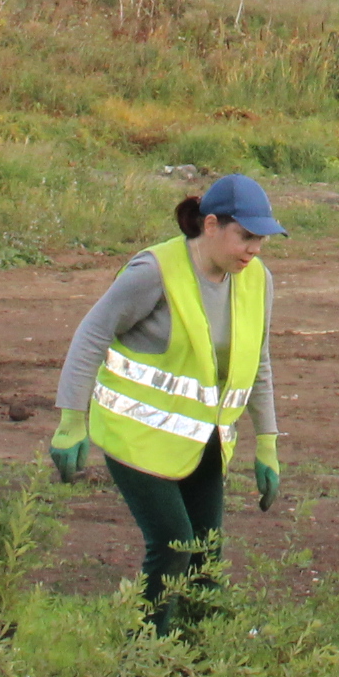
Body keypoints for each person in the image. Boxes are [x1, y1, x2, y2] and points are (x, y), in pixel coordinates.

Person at [47, 172, 284, 632]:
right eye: (246, 236)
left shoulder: (257, 281)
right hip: (136, 435)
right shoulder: (154, 271)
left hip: (202, 443)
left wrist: (268, 442)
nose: (255, 249)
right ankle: (143, 661)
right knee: (175, 543)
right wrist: (72, 419)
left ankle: (200, 663)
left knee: (206, 557)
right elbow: (92, 333)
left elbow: (260, 363)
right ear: (210, 225)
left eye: (263, 239)